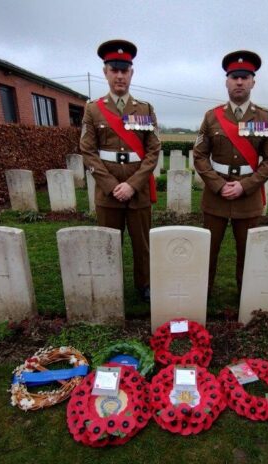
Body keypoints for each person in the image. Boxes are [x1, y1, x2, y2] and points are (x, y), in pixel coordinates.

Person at [79, 40, 161, 302]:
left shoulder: (145, 109)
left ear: (131, 73)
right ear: (105, 72)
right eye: (114, 70)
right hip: (108, 193)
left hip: (137, 192)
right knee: (108, 245)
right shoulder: (93, 110)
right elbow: (88, 151)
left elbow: (152, 151)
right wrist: (111, 185)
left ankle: (144, 284)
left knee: (142, 244)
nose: (120, 76)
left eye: (124, 71)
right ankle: (109, 285)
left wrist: (133, 185)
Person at [193, 50, 268, 294]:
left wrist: (245, 185)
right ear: (226, 81)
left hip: (248, 196)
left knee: (248, 252)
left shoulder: (265, 117)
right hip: (215, 195)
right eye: (234, 77)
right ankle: (203, 294)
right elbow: (199, 155)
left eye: (244, 76)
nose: (239, 81)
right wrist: (218, 185)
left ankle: (246, 296)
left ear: (253, 81)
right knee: (208, 250)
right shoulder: (212, 117)